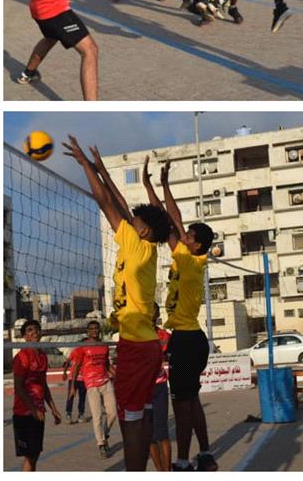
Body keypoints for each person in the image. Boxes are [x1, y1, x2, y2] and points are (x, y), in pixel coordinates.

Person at [62, 136, 172, 471]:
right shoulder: (142, 246)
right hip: (138, 342)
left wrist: (85, 166)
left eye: (137, 220)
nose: (130, 219)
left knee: (131, 422)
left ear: (144, 231)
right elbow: (121, 205)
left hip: (138, 346)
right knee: (136, 419)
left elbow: (106, 204)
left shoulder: (138, 246)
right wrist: (102, 169)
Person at [150, 158, 216, 471]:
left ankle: (183, 461)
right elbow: (166, 224)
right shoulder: (188, 260)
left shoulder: (193, 263)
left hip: (187, 341)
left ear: (197, 244)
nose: (183, 237)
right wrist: (153, 186)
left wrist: (163, 185)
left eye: (188, 236)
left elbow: (172, 220)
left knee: (182, 405)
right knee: (191, 401)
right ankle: (204, 455)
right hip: (191, 338)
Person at [12, 319, 62, 471]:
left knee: (35, 454)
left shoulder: (42, 356)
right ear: (24, 336)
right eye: (29, 330)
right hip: (24, 413)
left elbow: (44, 385)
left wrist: (53, 409)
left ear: (40, 332)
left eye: (36, 329)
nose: (34, 332)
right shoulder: (22, 356)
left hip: (39, 412)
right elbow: (18, 387)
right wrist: (33, 409)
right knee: (30, 456)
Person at [71, 320, 117, 459]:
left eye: (96, 328)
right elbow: (77, 366)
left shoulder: (103, 346)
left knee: (112, 413)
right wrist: (73, 386)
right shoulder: (83, 346)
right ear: (88, 331)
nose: (94, 331)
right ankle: (101, 444)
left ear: (99, 330)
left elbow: (107, 365)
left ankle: (104, 434)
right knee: (97, 416)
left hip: (105, 382)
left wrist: (118, 376)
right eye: (91, 329)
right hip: (91, 385)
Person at [149, 303, 172, 472]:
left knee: (162, 433)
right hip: (142, 390)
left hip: (159, 387)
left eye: (154, 312)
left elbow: (173, 357)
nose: (151, 315)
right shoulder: (135, 334)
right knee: (149, 436)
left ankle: (167, 470)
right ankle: (160, 471)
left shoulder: (164, 335)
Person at [62, 347, 87, 424]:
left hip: (83, 378)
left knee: (82, 397)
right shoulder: (75, 351)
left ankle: (81, 414)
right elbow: (68, 361)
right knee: (70, 396)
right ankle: (68, 414)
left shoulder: (88, 352)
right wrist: (64, 372)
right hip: (73, 378)